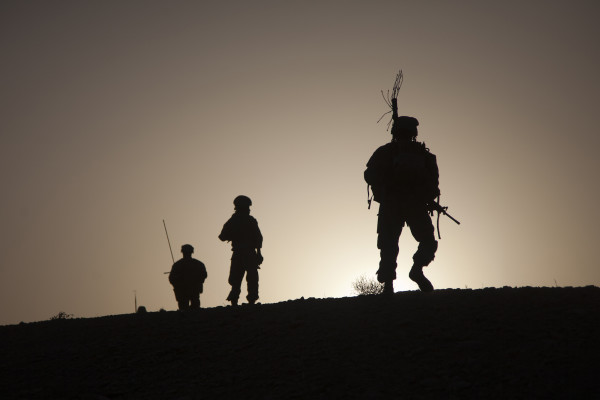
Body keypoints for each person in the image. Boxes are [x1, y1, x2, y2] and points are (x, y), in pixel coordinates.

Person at [364, 115, 440, 295]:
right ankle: (417, 270)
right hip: (415, 204)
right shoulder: (424, 155)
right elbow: (433, 184)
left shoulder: (384, 152)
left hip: (391, 204)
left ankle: (388, 285)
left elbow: (368, 175)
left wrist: (385, 184)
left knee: (388, 244)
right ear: (414, 132)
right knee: (427, 241)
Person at [219, 195, 263, 306]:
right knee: (241, 278)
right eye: (247, 207)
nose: (249, 209)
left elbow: (258, 238)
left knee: (243, 278)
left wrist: (258, 253)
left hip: (242, 253)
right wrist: (258, 253)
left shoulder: (235, 221)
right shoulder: (245, 221)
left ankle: (241, 301)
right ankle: (246, 300)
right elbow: (223, 236)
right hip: (245, 253)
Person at [168, 244, 208, 310]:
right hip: (188, 291)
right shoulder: (198, 264)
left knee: (186, 308)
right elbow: (204, 275)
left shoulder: (177, 265)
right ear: (192, 252)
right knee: (193, 308)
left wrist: (177, 285)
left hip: (187, 291)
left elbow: (171, 278)